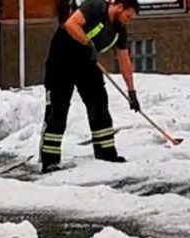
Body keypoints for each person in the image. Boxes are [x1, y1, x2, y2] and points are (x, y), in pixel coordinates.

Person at [40, 0, 141, 173]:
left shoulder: (118, 29)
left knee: (99, 104)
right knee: (58, 109)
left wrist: (131, 91)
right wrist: (88, 43)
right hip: (62, 60)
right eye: (128, 16)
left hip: (87, 62)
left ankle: (106, 152)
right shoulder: (94, 7)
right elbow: (71, 23)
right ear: (119, 7)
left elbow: (124, 59)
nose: (128, 20)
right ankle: (50, 160)